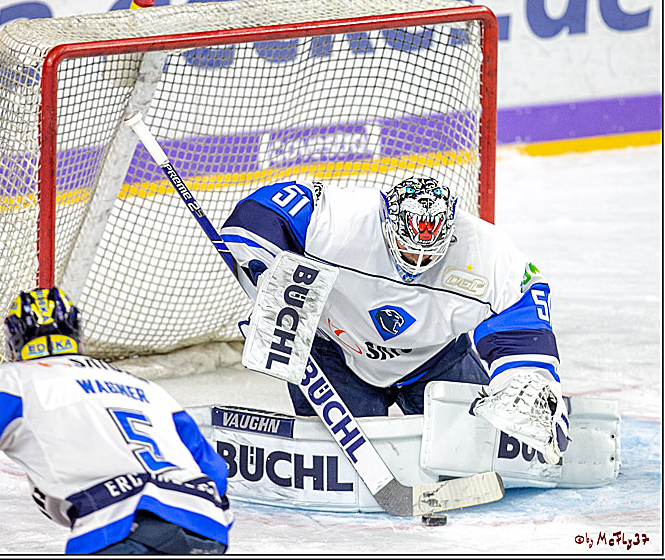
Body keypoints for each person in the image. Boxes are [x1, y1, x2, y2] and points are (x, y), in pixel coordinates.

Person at [0, 287, 232, 555]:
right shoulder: (145, 387)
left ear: (15, 341)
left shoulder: (13, 380)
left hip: (121, 529)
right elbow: (213, 472)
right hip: (205, 525)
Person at [220, 175, 569, 462]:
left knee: (482, 453)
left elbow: (523, 303)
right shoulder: (342, 220)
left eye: (428, 251)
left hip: (436, 359)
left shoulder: (484, 249)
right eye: (408, 248)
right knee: (338, 464)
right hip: (337, 353)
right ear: (386, 223)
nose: (416, 260)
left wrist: (526, 377)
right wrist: (268, 274)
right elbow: (257, 213)